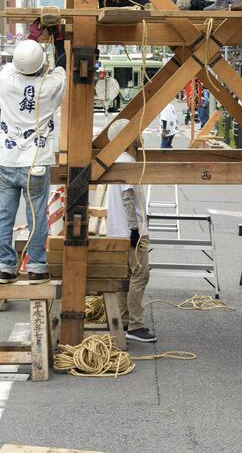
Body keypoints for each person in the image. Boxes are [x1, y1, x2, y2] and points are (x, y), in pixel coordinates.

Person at [0, 20, 67, 284]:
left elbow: (19, 62)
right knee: (36, 216)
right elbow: (63, 67)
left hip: (7, 161)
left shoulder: (5, 81)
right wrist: (58, 39)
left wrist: (33, 36)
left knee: (4, 215)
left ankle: (4, 267)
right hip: (36, 163)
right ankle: (36, 266)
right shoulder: (50, 87)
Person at [106, 119, 156, 343]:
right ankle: (135, 325)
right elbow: (128, 198)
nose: (140, 135)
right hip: (131, 231)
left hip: (117, 231)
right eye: (136, 133)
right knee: (140, 275)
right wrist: (135, 230)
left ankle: (124, 321)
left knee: (124, 277)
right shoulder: (128, 163)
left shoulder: (119, 160)